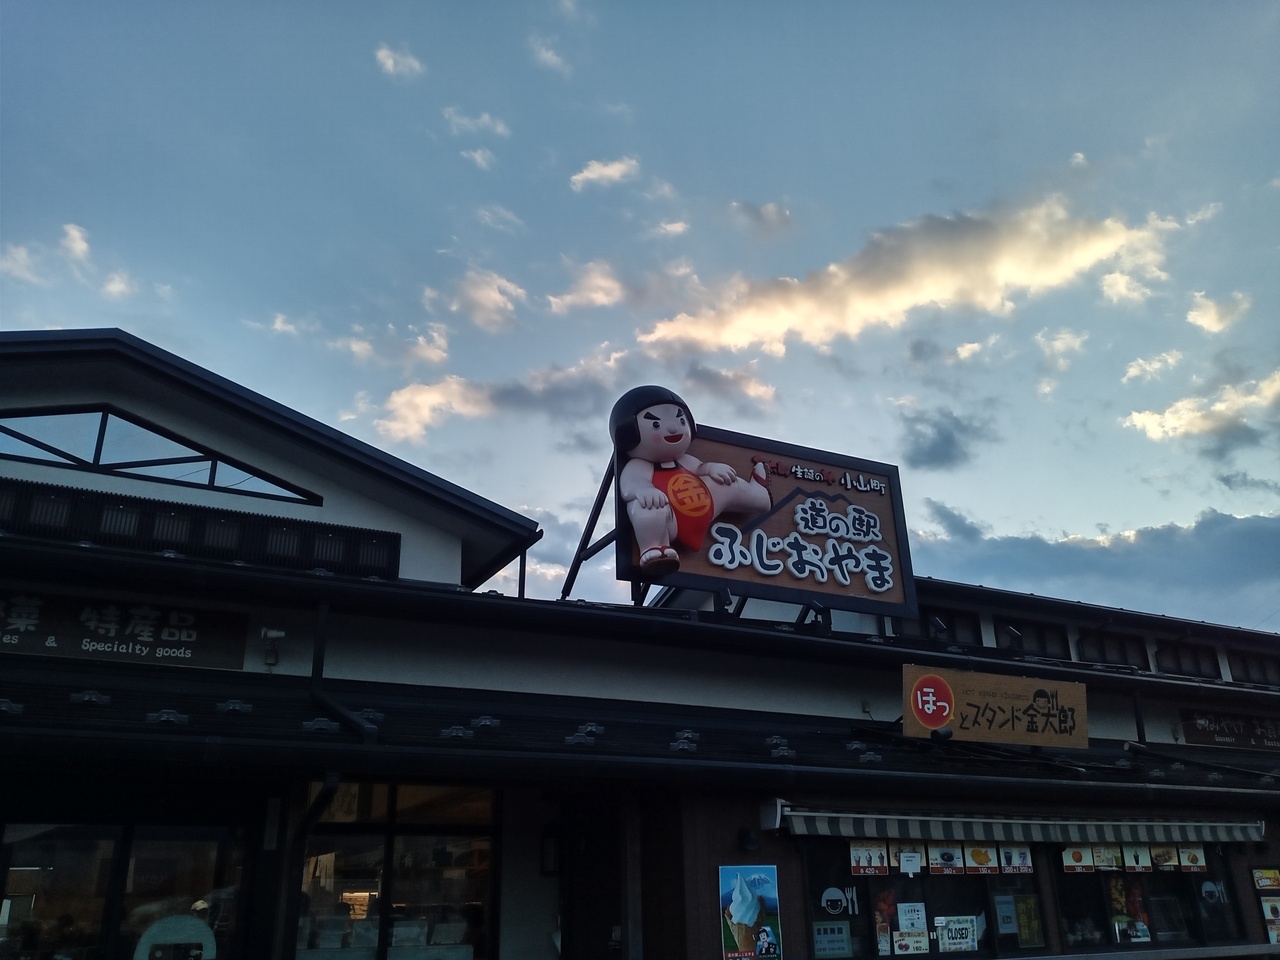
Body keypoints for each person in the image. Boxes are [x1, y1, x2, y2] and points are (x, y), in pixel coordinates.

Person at [610, 385, 770, 576]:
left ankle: (759, 495)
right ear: (629, 433)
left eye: (680, 420)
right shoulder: (639, 465)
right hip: (670, 520)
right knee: (647, 505)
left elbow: (700, 468)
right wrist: (644, 490)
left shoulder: (685, 460)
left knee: (724, 481)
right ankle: (655, 548)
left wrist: (712, 468)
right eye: (656, 424)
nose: (672, 427)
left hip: (703, 505)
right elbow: (631, 485)